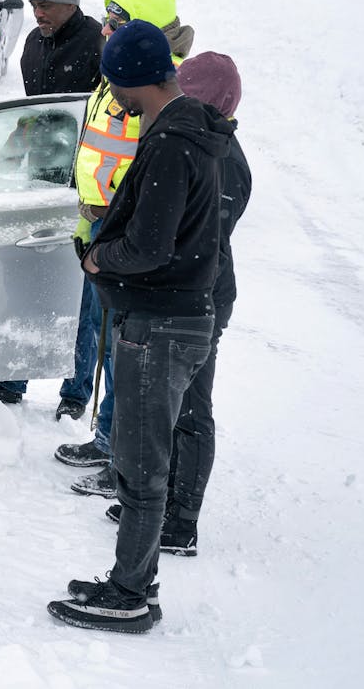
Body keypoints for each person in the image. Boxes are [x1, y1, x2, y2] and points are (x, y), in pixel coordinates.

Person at [46, 21, 234, 633]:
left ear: (136, 79)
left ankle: (129, 594)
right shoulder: (194, 133)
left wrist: (101, 257)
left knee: (141, 465)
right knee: (140, 459)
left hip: (160, 325)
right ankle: (136, 580)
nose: (116, 97)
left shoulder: (173, 143)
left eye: (118, 84)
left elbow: (151, 245)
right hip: (174, 318)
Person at [104, 53, 251, 556]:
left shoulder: (220, 158)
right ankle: (155, 503)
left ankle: (180, 518)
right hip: (190, 292)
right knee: (160, 406)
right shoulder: (199, 145)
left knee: (190, 406)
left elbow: (195, 234)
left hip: (201, 297)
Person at [53, 0, 194, 490]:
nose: (106, 30)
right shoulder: (123, 74)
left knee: (123, 349)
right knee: (104, 332)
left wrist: (115, 228)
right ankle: (107, 435)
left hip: (126, 240)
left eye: (119, 22)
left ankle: (118, 452)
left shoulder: (155, 88)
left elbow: (152, 176)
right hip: (98, 228)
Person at [0, 0, 102, 417]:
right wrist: (15, 140)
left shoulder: (98, 44)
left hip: (85, 189)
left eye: (48, 4)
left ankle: (74, 396)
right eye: (35, 3)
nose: (39, 12)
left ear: (71, 1)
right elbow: (34, 106)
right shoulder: (33, 45)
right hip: (38, 181)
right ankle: (11, 381)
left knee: (81, 298)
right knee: (31, 287)